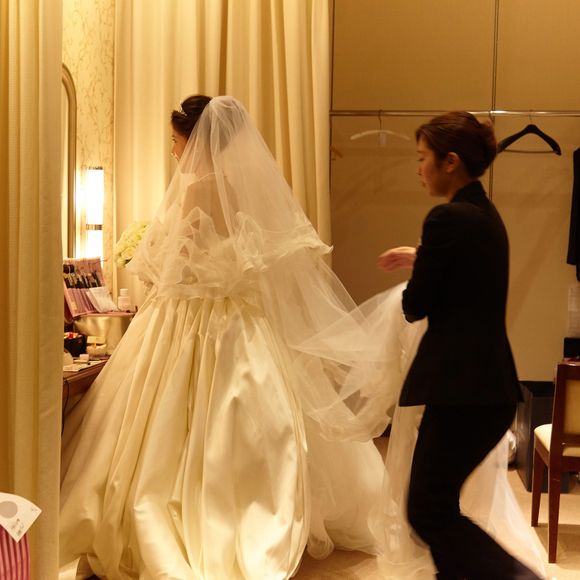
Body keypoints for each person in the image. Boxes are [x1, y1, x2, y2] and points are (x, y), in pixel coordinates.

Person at [58, 95, 391, 579]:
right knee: (254, 419)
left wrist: (151, 260)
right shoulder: (238, 187)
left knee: (169, 417)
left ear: (196, 140)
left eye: (176, 141)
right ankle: (250, 508)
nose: (174, 150)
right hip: (241, 320)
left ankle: (187, 512)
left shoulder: (196, 188)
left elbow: (181, 261)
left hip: (193, 317)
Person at [379, 112, 543, 579]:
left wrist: (422, 260)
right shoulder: (485, 216)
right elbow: (467, 277)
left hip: (463, 390)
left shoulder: (446, 218)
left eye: (422, 158)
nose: (418, 169)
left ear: (450, 162)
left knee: (427, 509)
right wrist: (424, 255)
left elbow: (415, 305)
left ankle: (519, 578)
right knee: (435, 505)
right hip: (486, 389)